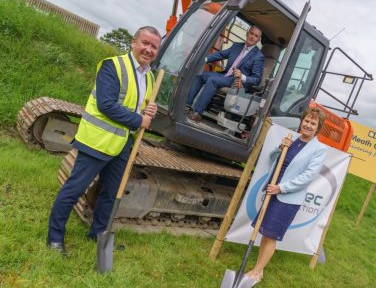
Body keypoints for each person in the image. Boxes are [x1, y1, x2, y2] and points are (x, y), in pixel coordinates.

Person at [46, 26, 162, 254]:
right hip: (96, 142)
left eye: (154, 47)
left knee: (110, 193)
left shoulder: (148, 76)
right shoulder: (113, 66)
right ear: (133, 42)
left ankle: (98, 235)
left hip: (122, 145)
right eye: (145, 43)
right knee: (74, 189)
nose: (148, 50)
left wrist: (150, 110)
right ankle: (54, 238)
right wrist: (139, 120)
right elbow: (106, 105)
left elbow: (139, 105)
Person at [245, 107, 328, 285]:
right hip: (273, 190)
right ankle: (259, 270)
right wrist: (280, 147)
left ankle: (257, 271)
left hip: (286, 198)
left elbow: (307, 177)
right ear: (301, 121)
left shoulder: (319, 149)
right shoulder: (293, 140)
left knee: (271, 235)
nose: (308, 125)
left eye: (313, 123)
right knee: (265, 233)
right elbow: (273, 159)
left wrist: (281, 188)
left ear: (317, 127)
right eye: (306, 120)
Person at [186, 25, 264, 122]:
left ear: (258, 40)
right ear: (247, 33)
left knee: (212, 80)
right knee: (200, 74)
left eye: (256, 36)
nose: (252, 37)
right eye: (251, 33)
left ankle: (197, 113)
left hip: (236, 81)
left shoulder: (258, 56)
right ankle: (187, 106)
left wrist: (242, 76)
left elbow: (256, 79)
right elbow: (221, 54)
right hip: (225, 75)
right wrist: (204, 59)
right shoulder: (236, 46)